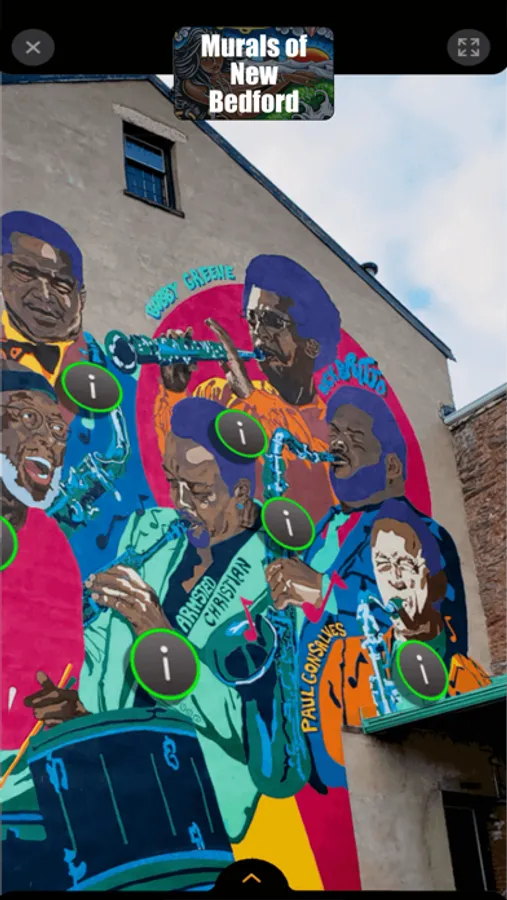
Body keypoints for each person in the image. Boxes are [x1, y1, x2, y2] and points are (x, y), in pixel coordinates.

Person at [81, 397, 317, 880]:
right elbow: (100, 651)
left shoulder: (278, 582)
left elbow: (245, 730)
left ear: (242, 495)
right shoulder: (149, 530)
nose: (181, 504)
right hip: (104, 779)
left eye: (200, 491)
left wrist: (156, 632)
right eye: (173, 482)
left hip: (192, 815)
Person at [0, 211, 154, 576]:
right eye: (25, 273)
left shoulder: (125, 388)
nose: (44, 295)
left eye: (61, 285)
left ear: (81, 298)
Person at [154, 254, 342, 522]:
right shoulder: (217, 394)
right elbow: (175, 463)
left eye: (273, 321)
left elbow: (310, 495)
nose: (258, 333)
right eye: (252, 319)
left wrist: (249, 396)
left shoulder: (332, 430)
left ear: (312, 345)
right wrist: (174, 392)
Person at [0, 362, 87, 833]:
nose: (49, 441)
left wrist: (69, 711)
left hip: (22, 777)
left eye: (58, 431)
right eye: (28, 419)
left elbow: (65, 675)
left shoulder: (52, 543)